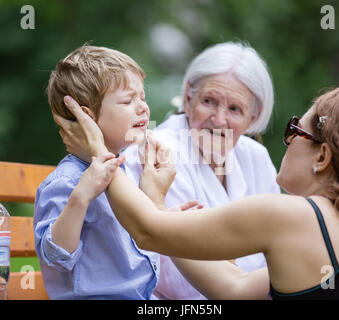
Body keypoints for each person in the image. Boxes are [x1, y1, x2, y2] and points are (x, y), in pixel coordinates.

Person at [60, 86, 339, 300]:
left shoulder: (291, 215)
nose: (288, 141)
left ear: (321, 157)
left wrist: (98, 149)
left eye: (295, 130)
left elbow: (146, 231)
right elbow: (234, 289)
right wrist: (159, 205)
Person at [58, 41, 280, 300]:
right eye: (208, 101)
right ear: (188, 96)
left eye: (234, 109)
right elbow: (179, 283)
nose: (219, 120)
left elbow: (275, 246)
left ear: (254, 117)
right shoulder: (158, 151)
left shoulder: (256, 157)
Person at [34, 44, 162, 299]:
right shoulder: (68, 182)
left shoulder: (124, 170)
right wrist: (80, 198)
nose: (142, 108)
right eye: (128, 100)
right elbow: (56, 257)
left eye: (143, 98)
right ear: (87, 117)